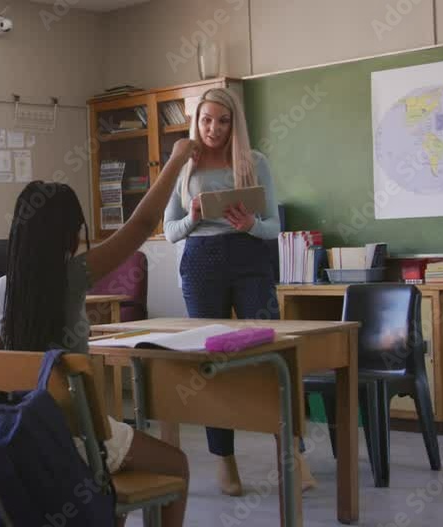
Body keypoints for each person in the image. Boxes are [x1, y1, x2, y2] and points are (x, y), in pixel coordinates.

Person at [0, 137, 200, 526]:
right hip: (72, 437)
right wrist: (176, 159)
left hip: (18, 436)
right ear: (67, 234)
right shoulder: (73, 276)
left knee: (114, 472)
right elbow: (143, 224)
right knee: (176, 464)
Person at [162, 87, 315, 495]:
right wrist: (193, 216)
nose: (214, 128)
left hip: (249, 259)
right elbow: (169, 231)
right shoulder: (184, 167)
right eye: (207, 120)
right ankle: (224, 461)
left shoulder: (254, 163)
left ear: (235, 124)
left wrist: (250, 225)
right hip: (200, 262)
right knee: (210, 364)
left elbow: (273, 227)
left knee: (270, 356)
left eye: (223, 121)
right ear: (196, 122)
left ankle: (292, 454)